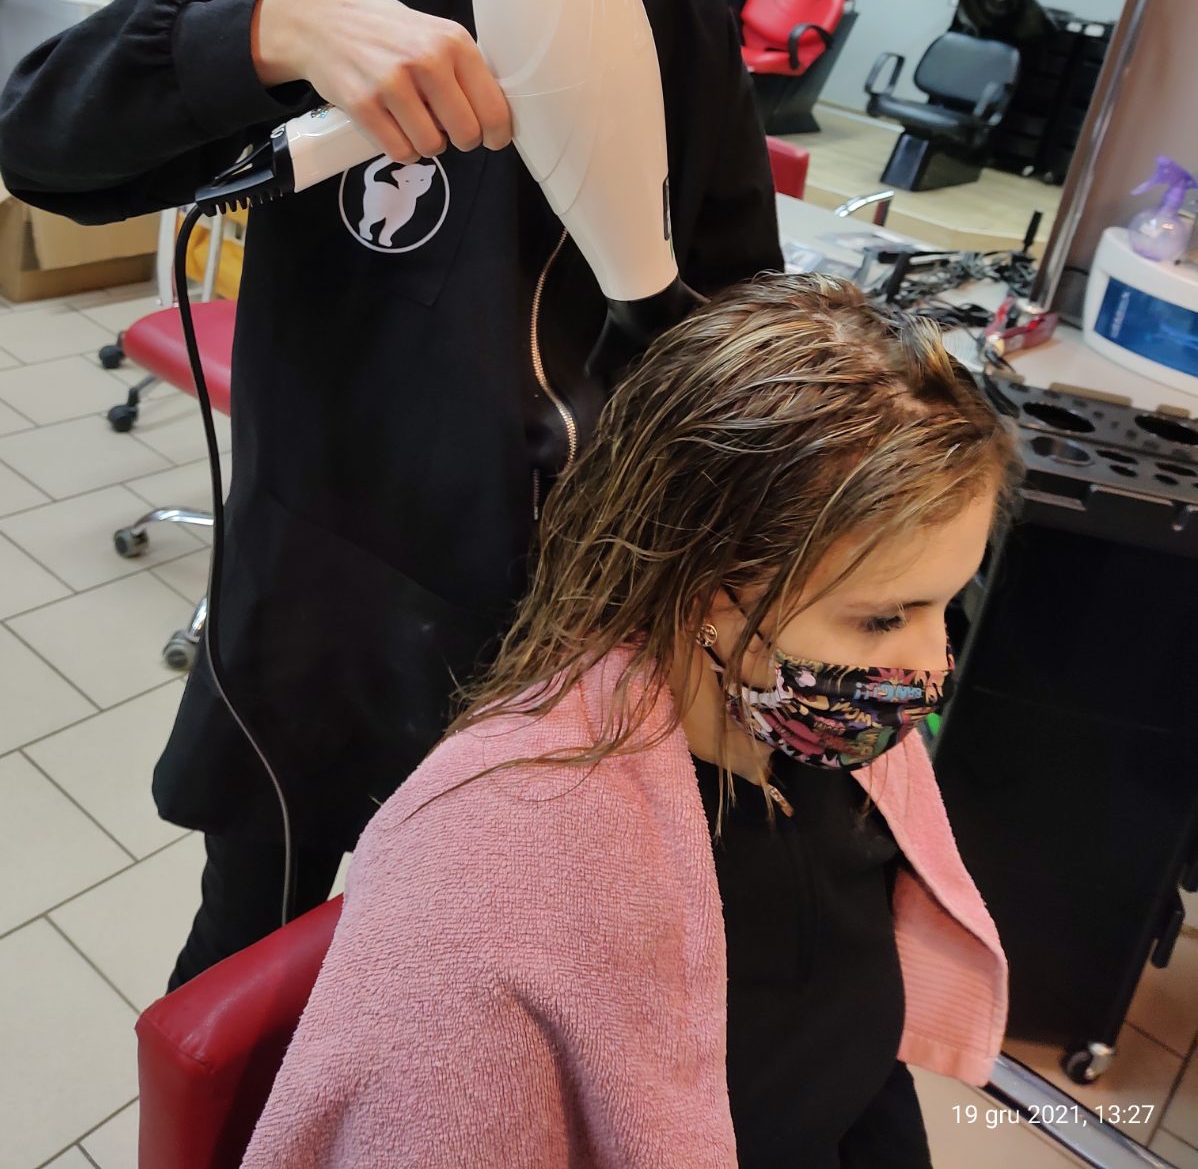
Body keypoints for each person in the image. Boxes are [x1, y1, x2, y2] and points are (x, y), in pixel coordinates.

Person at [0, 0, 811, 987]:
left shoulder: (685, 16)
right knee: (249, 967)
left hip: (549, 642)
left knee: (447, 996)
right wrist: (272, 27)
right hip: (323, 605)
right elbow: (43, 139)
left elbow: (723, 317)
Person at [241, 275, 1018, 1169]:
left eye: (947, 607)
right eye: (884, 619)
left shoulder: (829, 743)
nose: (932, 667)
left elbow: (862, 1068)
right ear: (704, 584)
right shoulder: (501, 866)